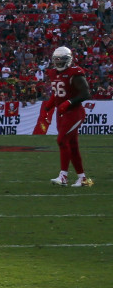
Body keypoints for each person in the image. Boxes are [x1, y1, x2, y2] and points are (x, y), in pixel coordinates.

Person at [40, 46, 93, 187]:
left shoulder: (75, 73)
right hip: (61, 113)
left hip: (74, 112)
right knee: (72, 145)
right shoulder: (53, 73)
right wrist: (48, 107)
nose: (58, 62)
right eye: (56, 59)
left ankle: (63, 176)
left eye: (61, 59)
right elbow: (57, 93)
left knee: (62, 141)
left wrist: (69, 102)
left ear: (68, 60)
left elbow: (86, 93)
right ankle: (82, 178)